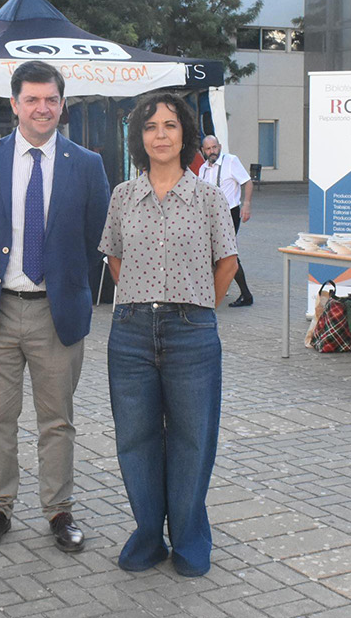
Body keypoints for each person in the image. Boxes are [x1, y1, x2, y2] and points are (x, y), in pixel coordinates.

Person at [0, 61, 110, 553]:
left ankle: (58, 511)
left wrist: (64, 279)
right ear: (14, 104)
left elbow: (97, 238)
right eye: (32, 99)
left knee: (57, 421)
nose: (42, 108)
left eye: (51, 99)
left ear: (62, 105)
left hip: (55, 313)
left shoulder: (87, 164)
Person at [99, 91, 239, 577]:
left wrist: (197, 307)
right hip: (131, 330)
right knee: (135, 438)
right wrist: (142, 296)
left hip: (191, 331)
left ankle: (189, 538)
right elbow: (114, 256)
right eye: (151, 126)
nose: (160, 134)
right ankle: (147, 536)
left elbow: (228, 262)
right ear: (140, 137)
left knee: (191, 439)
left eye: (171, 125)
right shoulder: (122, 195)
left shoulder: (209, 197)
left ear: (186, 135)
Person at [196, 135, 255, 306]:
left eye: (214, 147)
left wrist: (247, 205)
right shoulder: (203, 169)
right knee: (211, 253)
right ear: (203, 151)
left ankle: (246, 294)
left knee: (227, 252)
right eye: (208, 149)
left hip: (229, 213)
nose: (212, 151)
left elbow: (247, 182)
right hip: (209, 216)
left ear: (219, 146)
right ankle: (213, 290)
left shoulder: (230, 161)